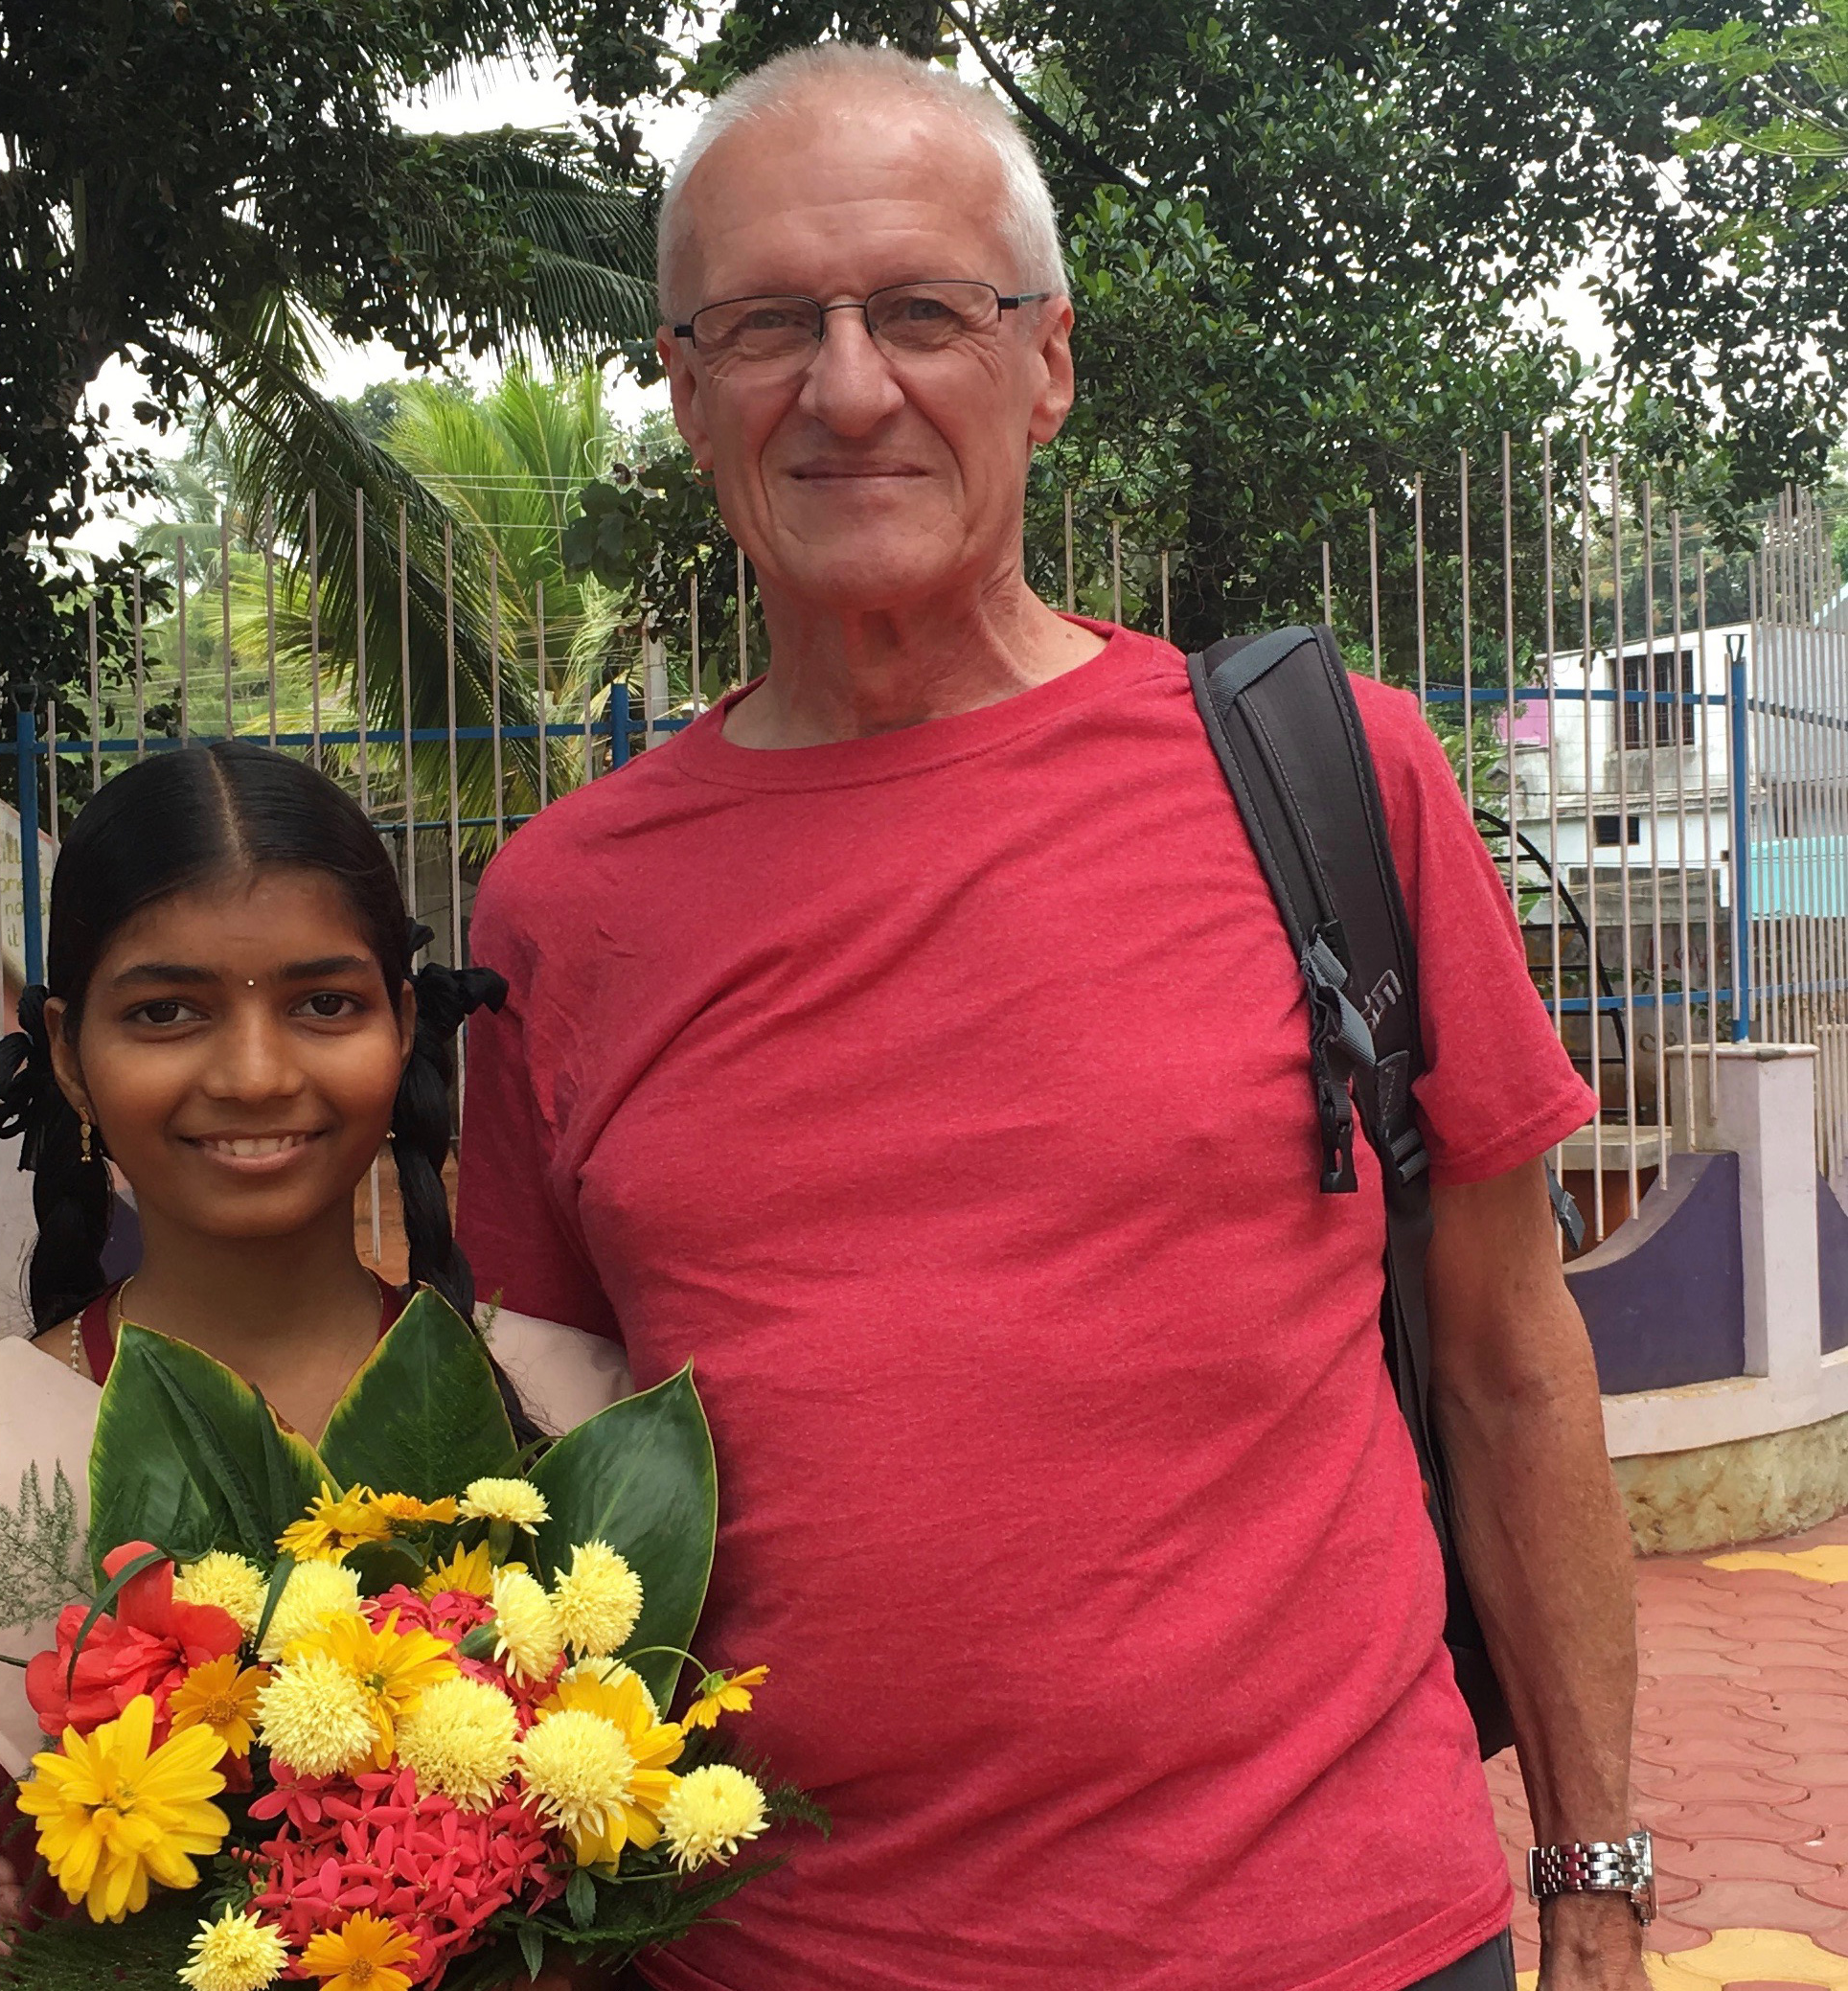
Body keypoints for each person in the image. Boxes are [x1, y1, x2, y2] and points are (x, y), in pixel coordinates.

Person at [446, 43, 1643, 1991]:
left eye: (922, 310)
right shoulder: (562, 910)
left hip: (1340, 1942)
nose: (848, 388)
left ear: (1049, 364)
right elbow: (543, 1444)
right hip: (775, 1959)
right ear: (683, 389)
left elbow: (1515, 1361)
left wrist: (1593, 1867)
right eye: (767, 326)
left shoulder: (1334, 779)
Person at [0, 741, 551, 1986]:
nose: (254, 1072)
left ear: (404, 1024)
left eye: (324, 1002)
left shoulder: (579, 1419)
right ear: (71, 1051)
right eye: (165, 1010)